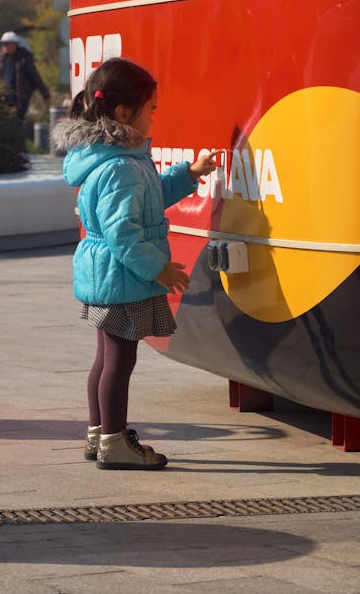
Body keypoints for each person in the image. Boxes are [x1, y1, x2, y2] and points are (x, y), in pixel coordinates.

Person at [52, 57, 218, 471]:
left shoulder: (113, 156)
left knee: (105, 360)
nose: (154, 118)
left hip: (108, 276)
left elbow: (149, 198)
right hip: (121, 277)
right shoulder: (121, 166)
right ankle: (114, 442)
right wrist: (156, 268)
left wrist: (189, 174)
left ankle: (99, 435)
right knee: (119, 362)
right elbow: (123, 231)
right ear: (125, 113)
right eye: (152, 110)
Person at [0, 31, 51, 148]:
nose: (4, 47)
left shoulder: (24, 59)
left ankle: (18, 148)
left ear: (14, 44)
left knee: (16, 123)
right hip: (4, 97)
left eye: (7, 44)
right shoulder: (2, 60)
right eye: (3, 44)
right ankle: (9, 149)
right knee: (4, 124)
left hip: (20, 99)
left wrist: (45, 95)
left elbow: (35, 77)